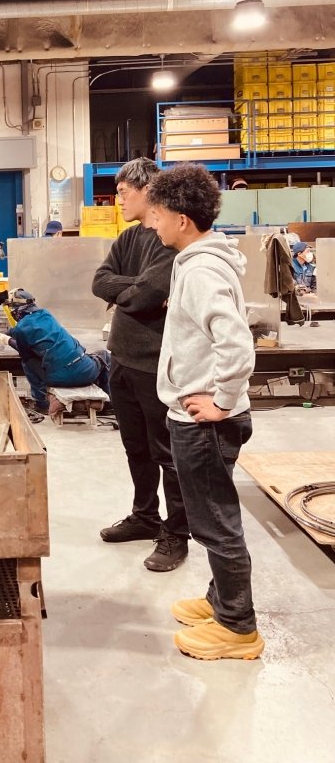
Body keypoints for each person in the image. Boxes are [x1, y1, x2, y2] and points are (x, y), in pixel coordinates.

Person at [147, 163, 263, 661]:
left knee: (216, 522)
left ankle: (238, 628)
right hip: (199, 415)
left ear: (182, 220)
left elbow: (236, 344)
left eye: (157, 215)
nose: (152, 223)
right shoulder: (199, 260)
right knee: (212, 515)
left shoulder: (200, 270)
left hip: (205, 422)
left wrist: (221, 401)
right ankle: (220, 601)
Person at [91, 158, 189, 572]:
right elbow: (100, 281)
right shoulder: (128, 238)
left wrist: (133, 292)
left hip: (155, 364)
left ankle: (177, 533)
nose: (118, 200)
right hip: (121, 359)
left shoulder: (169, 239)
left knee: (167, 451)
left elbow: (150, 294)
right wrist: (134, 288)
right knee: (136, 446)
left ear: (147, 191)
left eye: (123, 192)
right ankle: (145, 516)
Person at [0, 289, 110, 416]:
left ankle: (42, 404)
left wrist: (7, 340)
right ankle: (108, 405)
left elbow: (24, 351)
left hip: (58, 379)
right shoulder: (46, 315)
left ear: (15, 310)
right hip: (86, 372)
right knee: (104, 356)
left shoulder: (21, 329)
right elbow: (25, 329)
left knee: (27, 361)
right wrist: (4, 335)